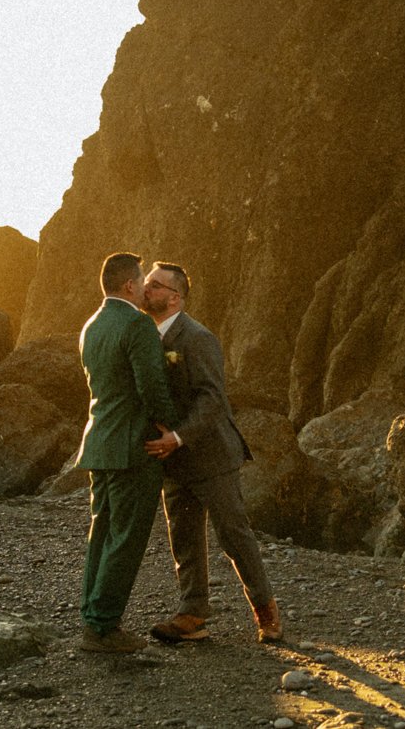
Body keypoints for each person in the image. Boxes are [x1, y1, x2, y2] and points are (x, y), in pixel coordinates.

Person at [139, 261, 282, 643]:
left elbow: (212, 398)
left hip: (211, 454)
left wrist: (178, 437)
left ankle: (266, 613)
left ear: (175, 297)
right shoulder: (146, 336)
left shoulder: (197, 337)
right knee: (183, 536)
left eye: (154, 285)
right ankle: (192, 614)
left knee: (233, 535)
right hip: (173, 459)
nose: (145, 288)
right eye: (146, 283)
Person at [75, 250, 179, 653]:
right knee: (126, 539)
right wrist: (172, 428)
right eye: (141, 280)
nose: (144, 288)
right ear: (130, 286)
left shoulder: (92, 325)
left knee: (100, 534)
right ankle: (103, 628)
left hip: (98, 444)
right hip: (133, 448)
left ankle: (93, 618)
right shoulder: (137, 325)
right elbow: (150, 386)